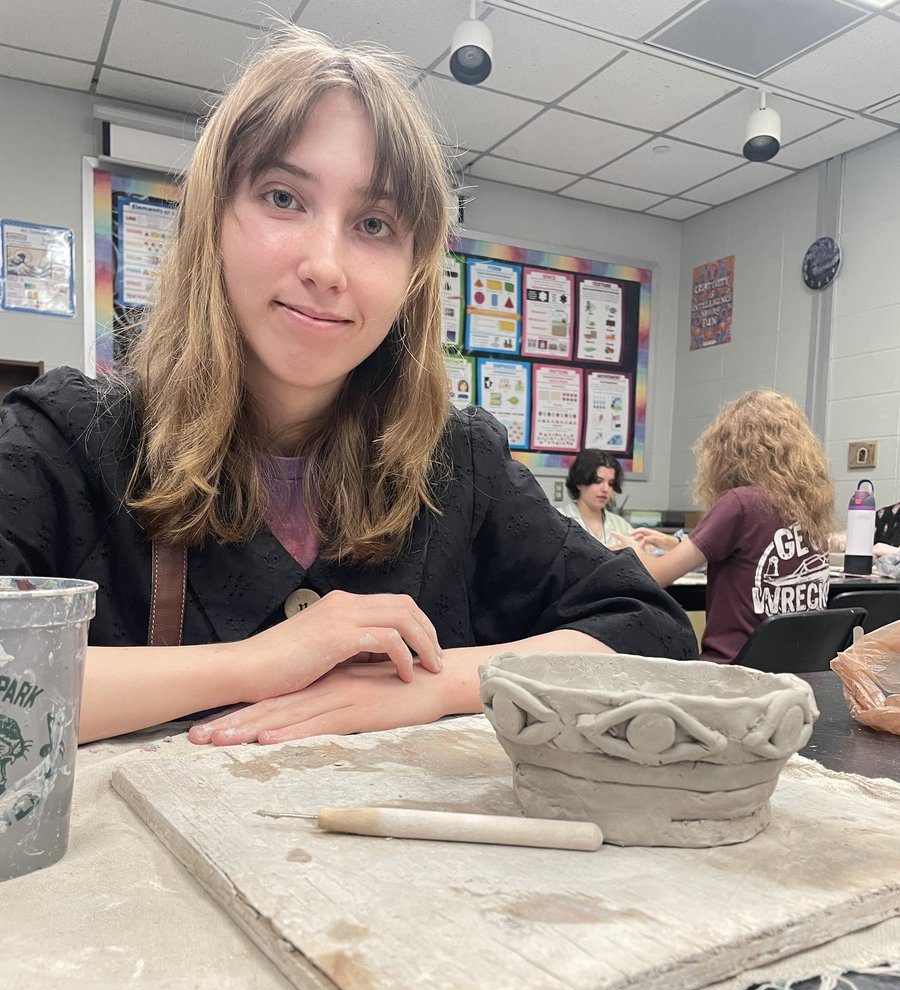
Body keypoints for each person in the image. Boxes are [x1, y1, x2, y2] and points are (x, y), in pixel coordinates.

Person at [0, 27, 696, 748]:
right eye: (282, 197)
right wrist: (250, 666)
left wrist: (435, 686)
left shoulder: (459, 463)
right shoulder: (66, 440)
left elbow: (648, 631)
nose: (326, 265)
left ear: (413, 277)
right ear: (212, 221)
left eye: (374, 224)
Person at [628, 390, 834, 663]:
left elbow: (655, 576)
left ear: (729, 448)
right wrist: (678, 545)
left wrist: (630, 549)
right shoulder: (811, 507)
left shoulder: (740, 503)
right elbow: (747, 559)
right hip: (795, 675)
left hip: (733, 675)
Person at [560, 449, 636, 549]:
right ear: (579, 482)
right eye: (598, 481)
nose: (605, 489)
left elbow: (641, 555)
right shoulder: (559, 520)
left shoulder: (620, 525)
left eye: (611, 483)